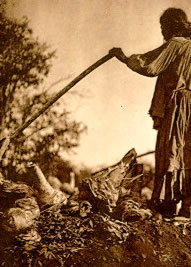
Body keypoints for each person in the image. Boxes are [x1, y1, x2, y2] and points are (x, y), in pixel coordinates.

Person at [109, 8, 191, 217]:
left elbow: (150, 65)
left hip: (178, 107)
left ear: (172, 25)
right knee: (187, 154)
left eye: (163, 26)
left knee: (171, 150)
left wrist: (124, 58)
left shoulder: (177, 45)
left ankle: (168, 205)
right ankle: (188, 207)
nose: (162, 30)